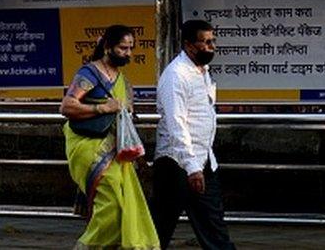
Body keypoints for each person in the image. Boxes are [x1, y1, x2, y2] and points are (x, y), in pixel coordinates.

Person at [60, 25, 160, 250]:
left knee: (123, 205)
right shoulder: (89, 73)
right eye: (123, 48)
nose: (128, 53)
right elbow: (66, 106)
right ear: (107, 47)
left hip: (118, 151)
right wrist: (103, 108)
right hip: (88, 148)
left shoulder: (124, 82)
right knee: (113, 205)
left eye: (131, 48)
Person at [153, 20, 235, 250]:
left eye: (213, 41)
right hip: (176, 163)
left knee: (214, 227)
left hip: (203, 159)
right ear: (189, 45)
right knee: (160, 227)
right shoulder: (176, 75)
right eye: (206, 42)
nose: (212, 46)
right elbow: (176, 123)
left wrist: (200, 165)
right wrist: (192, 167)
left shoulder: (202, 71)